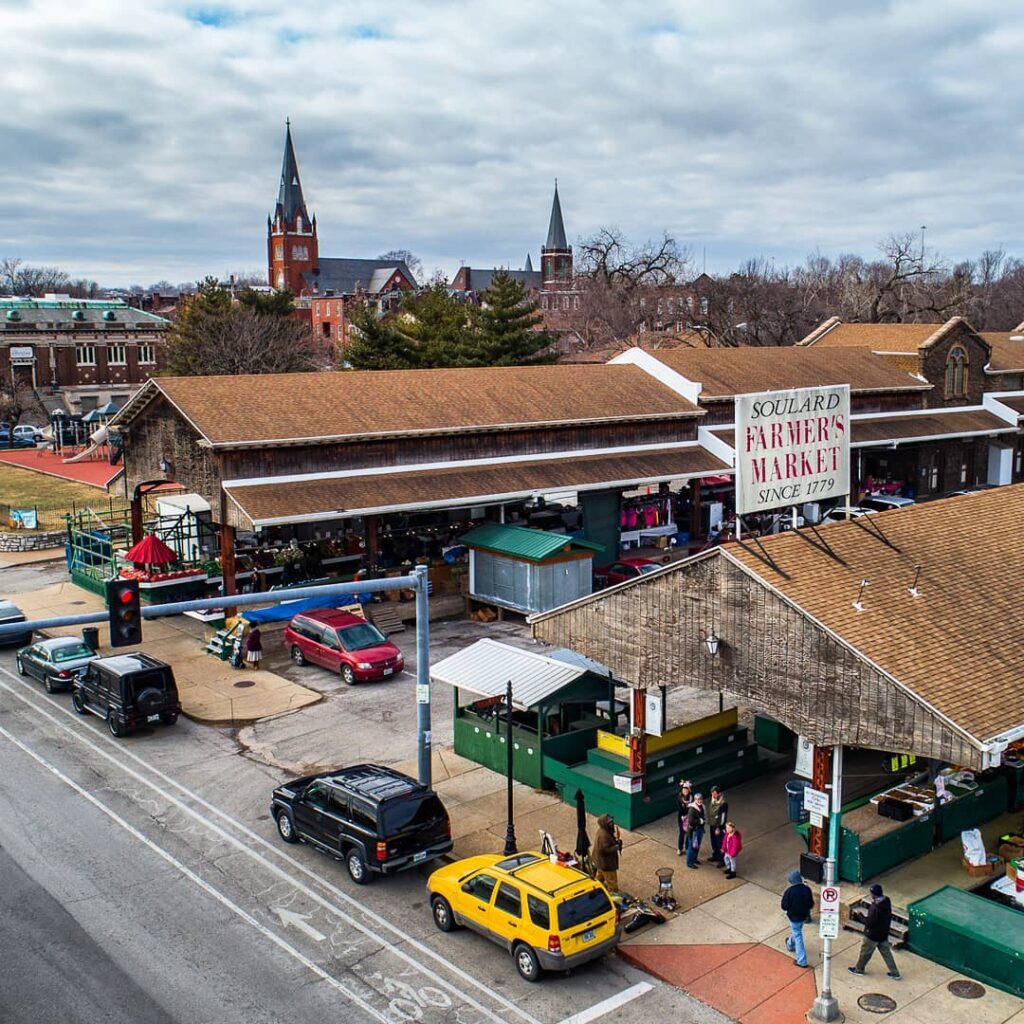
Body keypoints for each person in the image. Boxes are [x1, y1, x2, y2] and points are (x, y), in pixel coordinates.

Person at [849, 884, 900, 979]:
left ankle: (859, 969)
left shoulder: (875, 907)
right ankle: (895, 972)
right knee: (887, 954)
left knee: (865, 953)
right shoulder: (887, 900)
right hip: (883, 933)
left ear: (873, 894)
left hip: (872, 935)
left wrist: (860, 916)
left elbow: (870, 922)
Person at [781, 869, 814, 968]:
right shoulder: (807, 889)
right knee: (797, 931)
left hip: (794, 917)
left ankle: (802, 960)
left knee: (798, 935)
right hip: (804, 916)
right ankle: (790, 944)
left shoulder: (789, 892)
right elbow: (811, 904)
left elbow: (784, 906)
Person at [593, 814, 622, 892]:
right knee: (612, 882)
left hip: (601, 863)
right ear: (604, 824)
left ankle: (595, 890)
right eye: (610, 823)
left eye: (612, 822)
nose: (612, 824)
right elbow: (604, 850)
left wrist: (615, 841)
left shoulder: (604, 831)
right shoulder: (603, 835)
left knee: (599, 878)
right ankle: (614, 898)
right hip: (606, 864)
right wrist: (616, 847)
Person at [708, 785, 729, 865]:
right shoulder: (713, 800)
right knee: (713, 841)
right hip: (712, 825)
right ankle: (716, 855)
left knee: (720, 843)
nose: (713, 795)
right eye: (712, 793)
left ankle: (722, 860)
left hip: (718, 827)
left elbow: (723, 817)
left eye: (715, 793)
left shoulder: (723, 804)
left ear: (719, 794)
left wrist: (719, 827)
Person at [685, 793, 706, 869]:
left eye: (700, 799)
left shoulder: (702, 807)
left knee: (697, 846)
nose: (699, 801)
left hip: (699, 829)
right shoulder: (692, 809)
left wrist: (702, 821)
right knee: (692, 847)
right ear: (695, 800)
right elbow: (690, 821)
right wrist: (700, 821)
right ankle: (689, 862)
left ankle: (694, 859)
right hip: (693, 831)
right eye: (698, 799)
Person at [676, 781, 693, 856]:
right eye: (683, 790)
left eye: (686, 790)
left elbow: (692, 808)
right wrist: (684, 816)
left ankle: (687, 848)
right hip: (681, 818)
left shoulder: (691, 797)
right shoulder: (680, 797)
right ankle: (680, 848)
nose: (685, 791)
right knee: (682, 833)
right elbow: (680, 808)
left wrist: (688, 815)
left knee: (688, 833)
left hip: (689, 817)